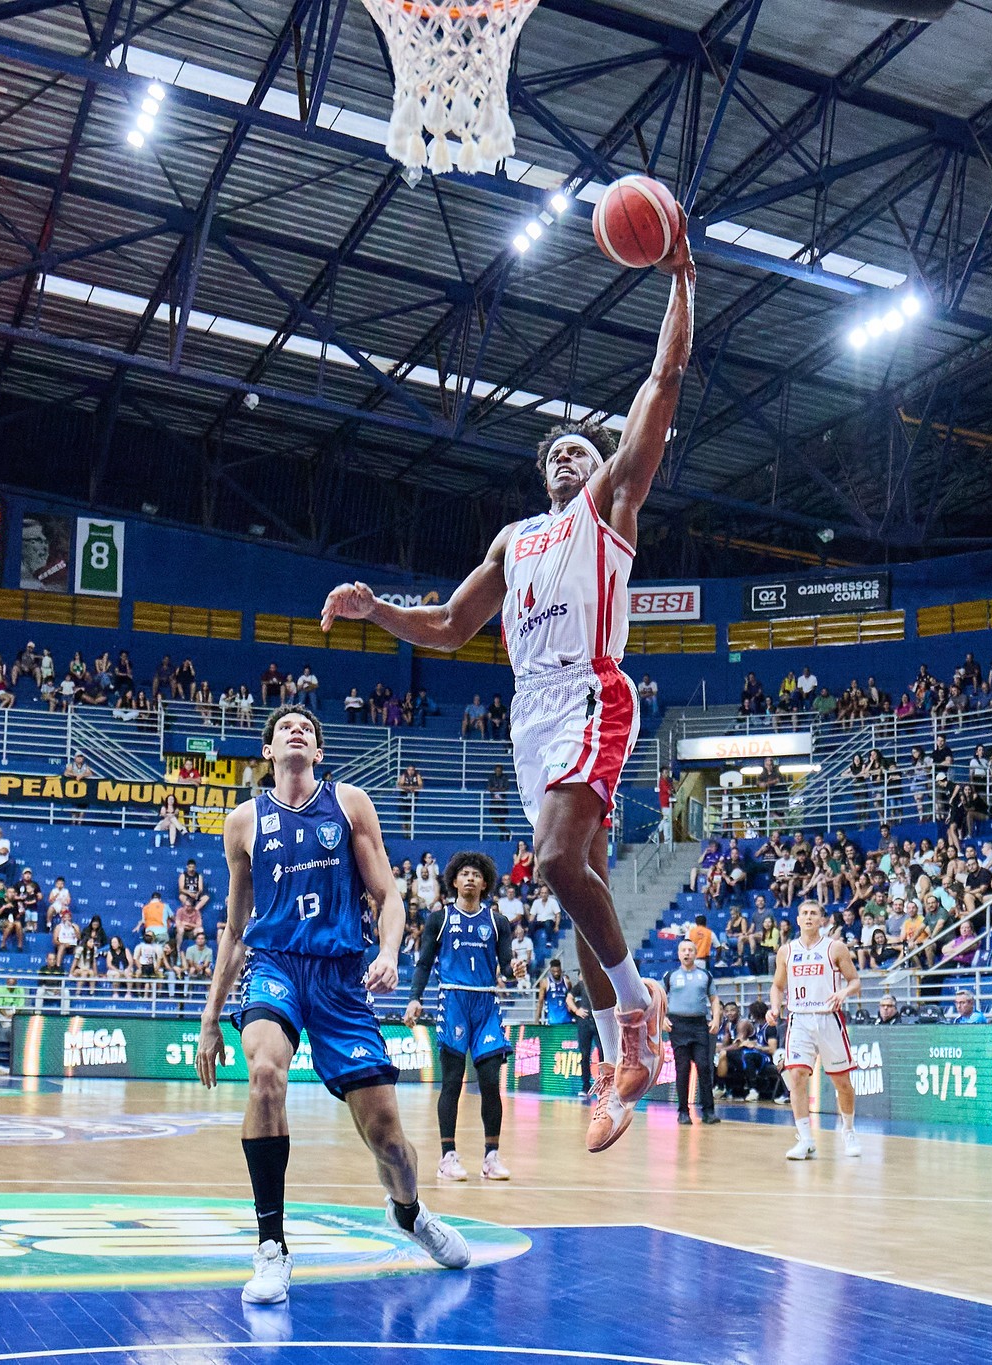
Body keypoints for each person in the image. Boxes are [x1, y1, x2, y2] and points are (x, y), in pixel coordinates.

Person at [320, 223, 693, 1156]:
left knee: (557, 862)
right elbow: (450, 625)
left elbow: (662, 381)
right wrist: (377, 610)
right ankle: (615, 1063)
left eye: (581, 449)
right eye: (557, 452)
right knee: (579, 892)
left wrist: (681, 277)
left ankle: (637, 1021)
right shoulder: (514, 540)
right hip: (532, 715)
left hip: (592, 688)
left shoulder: (610, 505)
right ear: (540, 472)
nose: (570, 458)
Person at [195, 704, 469, 1305]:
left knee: (389, 1141)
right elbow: (235, 928)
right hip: (275, 967)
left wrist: (390, 952)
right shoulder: (243, 823)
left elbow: (388, 897)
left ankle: (409, 1211)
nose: (297, 731)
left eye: (307, 729)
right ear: (268, 751)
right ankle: (272, 1248)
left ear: (318, 751)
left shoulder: (349, 804)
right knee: (265, 1074)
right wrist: (210, 1017)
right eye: (285, 728)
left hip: (342, 979)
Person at [405, 851, 515, 1184]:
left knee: (490, 1083)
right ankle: (447, 1157)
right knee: (452, 1082)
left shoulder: (497, 922)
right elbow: (424, 963)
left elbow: (507, 968)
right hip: (452, 1001)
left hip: (486, 1004)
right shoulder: (440, 919)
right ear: (453, 880)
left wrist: (515, 971)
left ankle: (491, 1157)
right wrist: (414, 999)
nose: (470, 879)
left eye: (476, 875)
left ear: (485, 883)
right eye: (464, 874)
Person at [768, 900, 863, 1161]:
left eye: (813, 913)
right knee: (796, 1075)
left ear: (822, 920)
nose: (809, 917)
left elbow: (855, 981)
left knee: (842, 1082)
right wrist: (774, 1008)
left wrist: (844, 992)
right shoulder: (787, 951)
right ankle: (805, 1140)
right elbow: (777, 986)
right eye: (804, 913)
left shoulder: (835, 947)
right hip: (799, 1018)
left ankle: (848, 1131)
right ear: (798, 919)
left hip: (828, 1018)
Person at [665, 939, 722, 1126]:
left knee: (704, 1067)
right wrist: (661, 1018)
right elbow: (658, 998)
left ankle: (709, 1112)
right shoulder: (670, 976)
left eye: (690, 950)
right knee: (682, 1069)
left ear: (696, 954)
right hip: (678, 1025)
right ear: (678, 954)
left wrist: (716, 1019)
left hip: (699, 1025)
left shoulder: (705, 975)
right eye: (683, 950)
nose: (687, 953)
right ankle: (683, 1112)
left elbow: (714, 999)